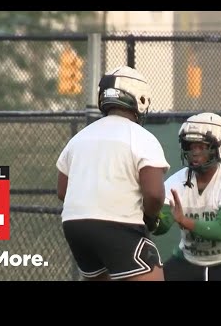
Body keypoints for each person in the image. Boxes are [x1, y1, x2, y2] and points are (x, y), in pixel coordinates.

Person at [56, 65, 170, 281]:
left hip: (75, 227)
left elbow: (63, 191)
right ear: (141, 99)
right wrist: (151, 217)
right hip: (119, 226)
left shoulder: (80, 137)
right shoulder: (141, 136)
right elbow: (154, 194)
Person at [152, 112, 221, 281]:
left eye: (202, 146)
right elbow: (162, 225)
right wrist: (150, 214)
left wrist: (184, 220)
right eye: (191, 146)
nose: (195, 152)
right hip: (190, 259)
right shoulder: (175, 182)